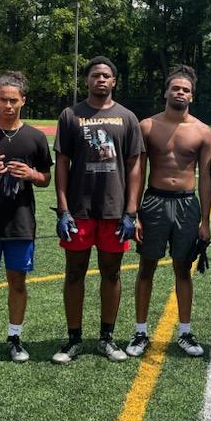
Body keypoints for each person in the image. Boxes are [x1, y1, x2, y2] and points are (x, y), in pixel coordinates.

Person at [52, 56, 144, 363]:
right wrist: (64, 209)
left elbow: (134, 166)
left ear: (114, 81)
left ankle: (107, 338)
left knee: (112, 273)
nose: (100, 79)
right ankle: (73, 339)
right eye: (95, 75)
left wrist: (131, 211)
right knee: (74, 272)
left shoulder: (128, 118)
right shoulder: (70, 115)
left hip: (114, 211)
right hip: (79, 209)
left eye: (106, 75)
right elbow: (62, 164)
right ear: (87, 80)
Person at [0, 71, 53, 365]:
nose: (8, 105)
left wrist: (32, 175)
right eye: (3, 99)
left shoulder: (36, 137)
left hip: (21, 222)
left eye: (14, 100)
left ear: (23, 101)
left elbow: (46, 179)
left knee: (18, 281)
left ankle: (15, 338)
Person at [127, 66, 211, 358]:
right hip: (154, 202)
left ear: (192, 95)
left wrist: (205, 220)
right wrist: (134, 212)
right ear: (166, 91)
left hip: (187, 204)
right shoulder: (147, 126)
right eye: (176, 88)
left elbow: (204, 177)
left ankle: (185, 332)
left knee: (182, 270)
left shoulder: (202, 131)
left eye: (186, 89)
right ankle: (140, 332)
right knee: (146, 267)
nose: (180, 92)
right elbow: (138, 170)